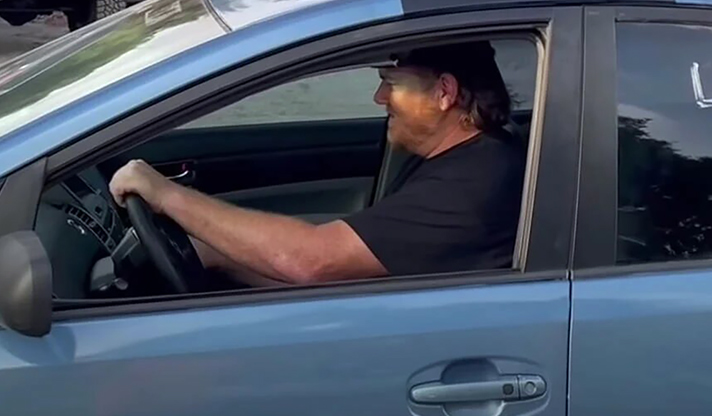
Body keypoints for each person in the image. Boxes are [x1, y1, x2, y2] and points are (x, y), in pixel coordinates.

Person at [108, 41, 525, 287]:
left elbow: (312, 261)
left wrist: (165, 195)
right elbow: (349, 271)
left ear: (445, 92)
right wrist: (215, 254)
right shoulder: (462, 159)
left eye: (391, 83)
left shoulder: (473, 185)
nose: (379, 98)